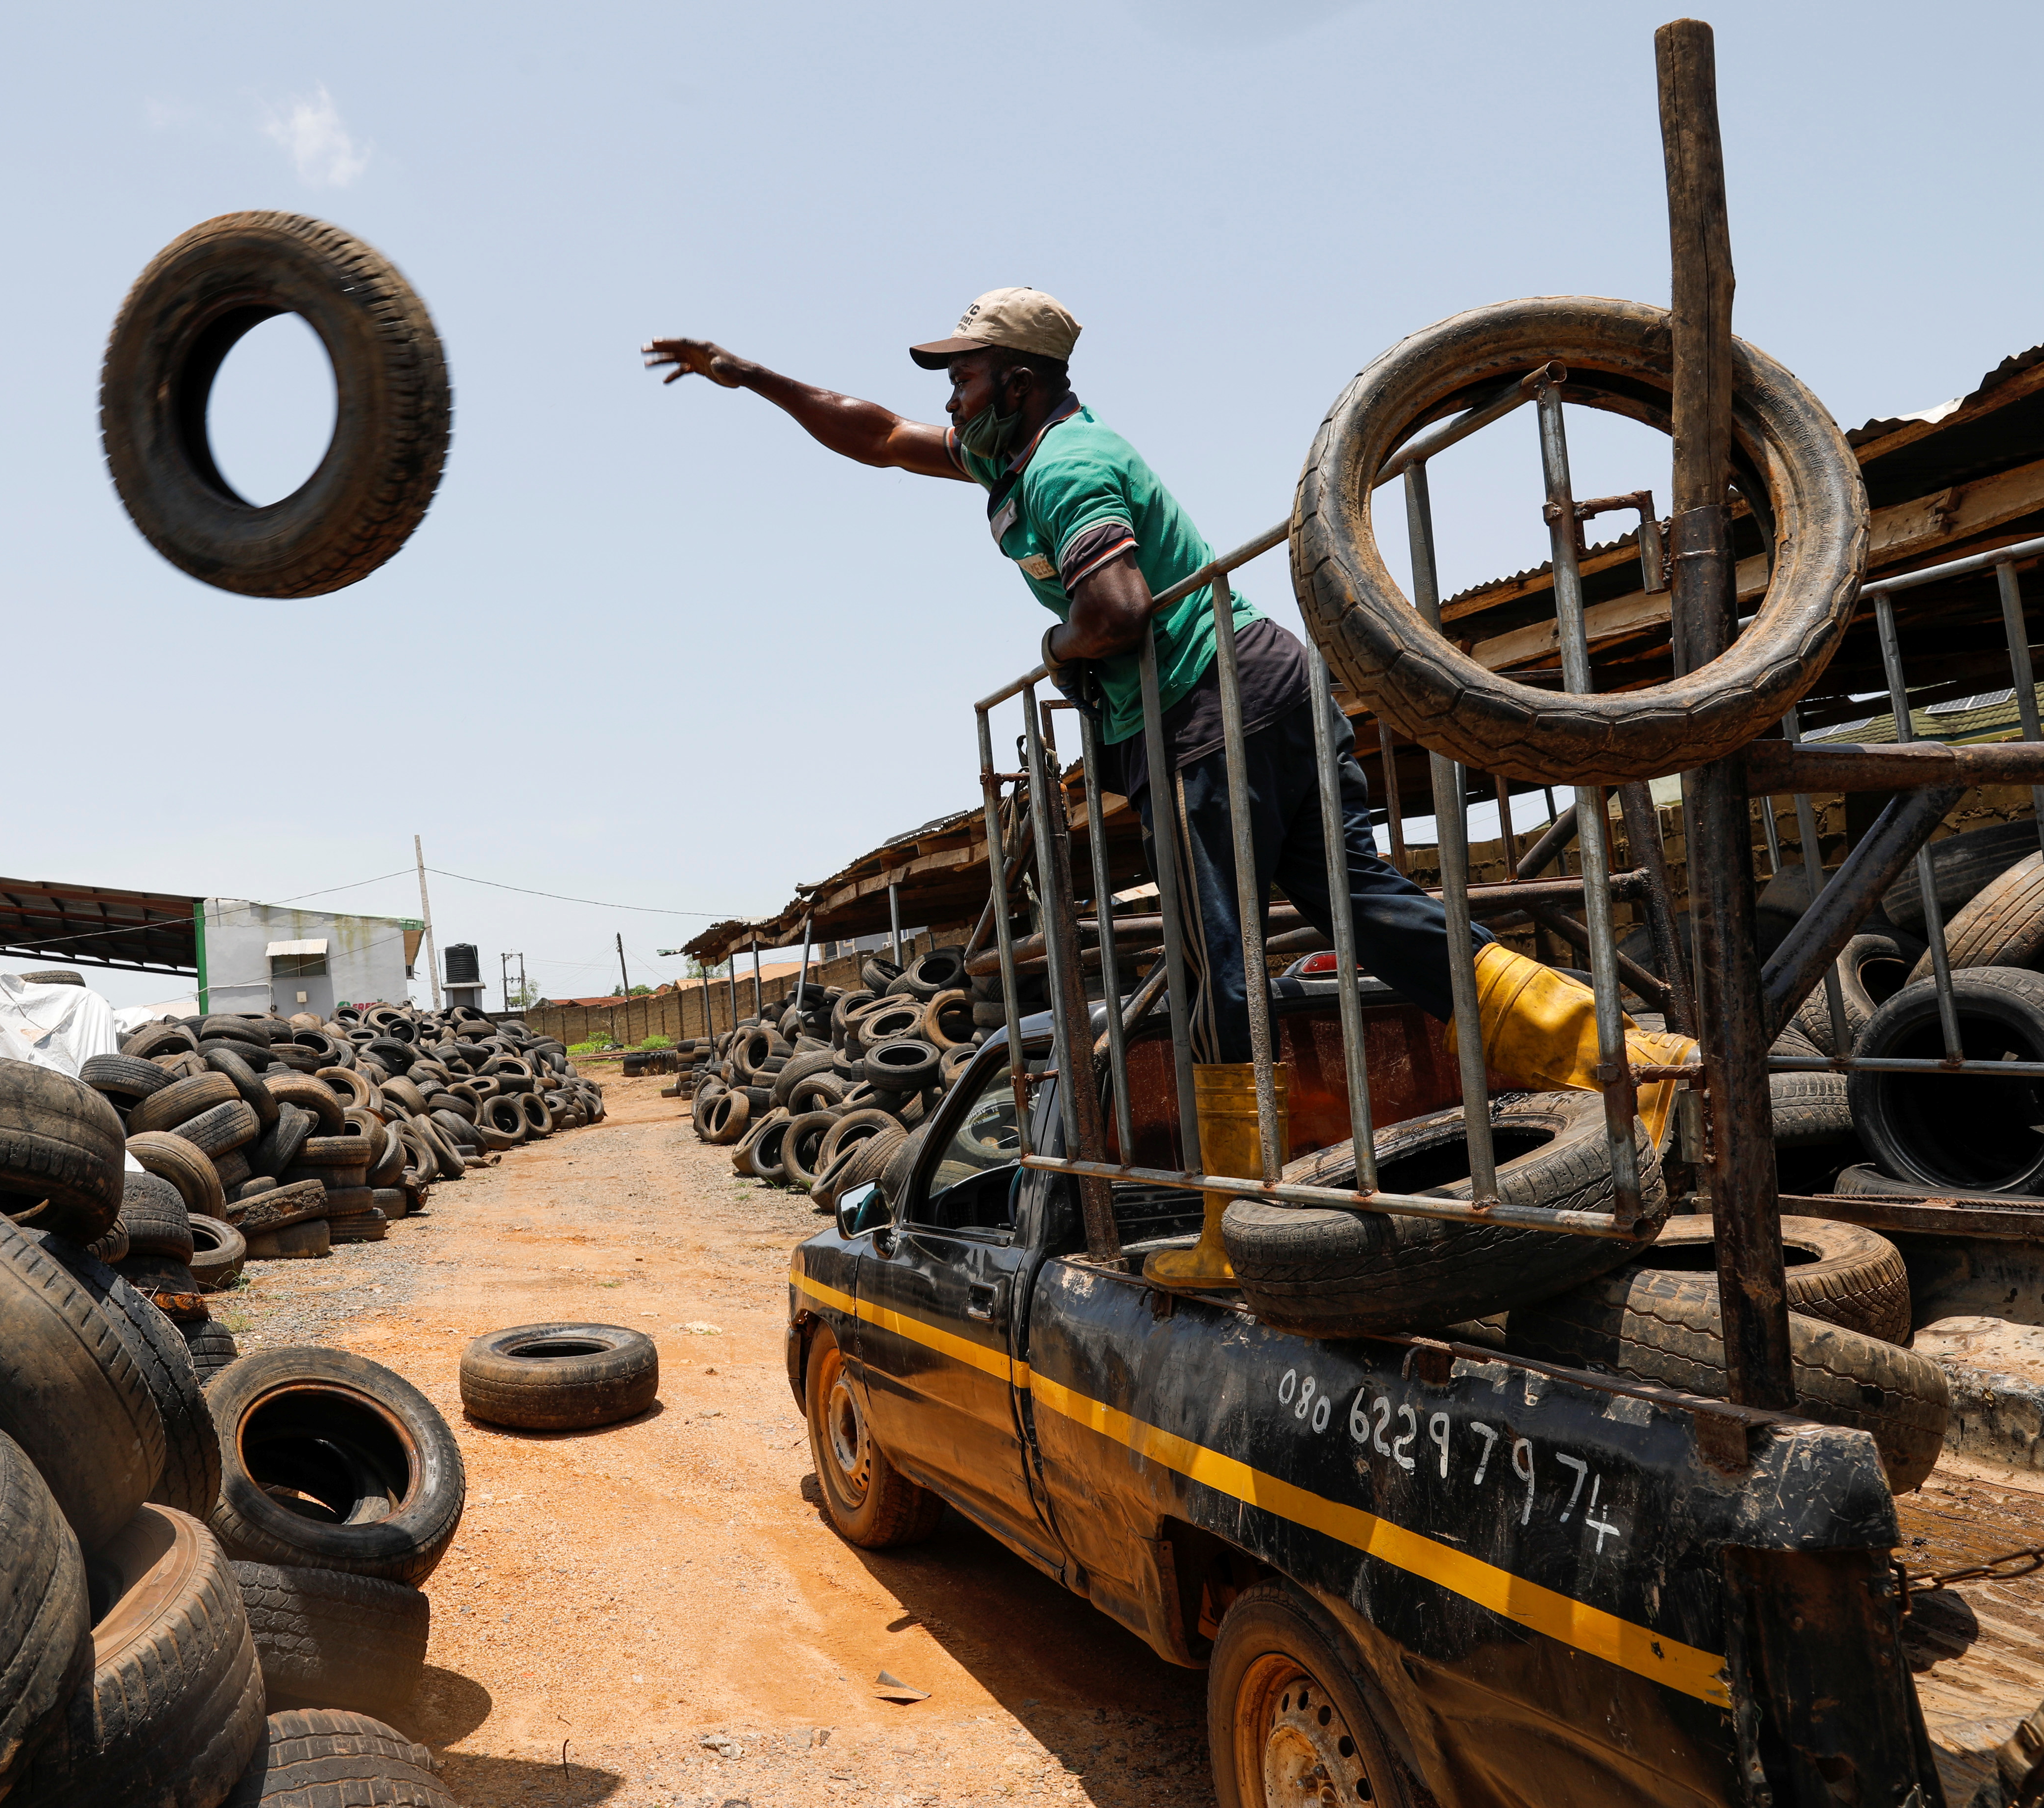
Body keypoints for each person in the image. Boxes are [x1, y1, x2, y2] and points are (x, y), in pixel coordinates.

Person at [645, 289, 1690, 1288]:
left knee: (1214, 968)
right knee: (1363, 908)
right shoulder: (1012, 451)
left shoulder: (1065, 469)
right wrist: (750, 379)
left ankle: (1232, 1222)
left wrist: (1058, 645)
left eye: (960, 377)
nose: (947, 398)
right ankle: (1618, 1056)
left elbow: (1117, 607)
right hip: (1264, 681)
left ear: (1014, 382)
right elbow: (874, 433)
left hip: (1202, 708)